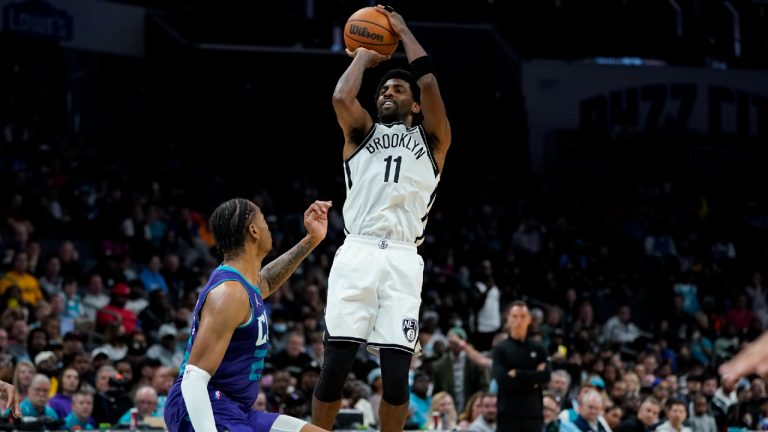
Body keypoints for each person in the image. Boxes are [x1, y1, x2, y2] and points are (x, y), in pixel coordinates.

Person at [310, 5, 452, 432]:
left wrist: (403, 30)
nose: (388, 92)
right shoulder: (360, 135)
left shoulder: (434, 139)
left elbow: (426, 80)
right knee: (335, 366)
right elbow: (340, 97)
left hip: (404, 258)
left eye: (397, 89)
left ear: (414, 106)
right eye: (384, 89)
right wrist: (363, 56)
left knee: (396, 378)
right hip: (359, 250)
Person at [163, 198, 332, 432]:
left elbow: (267, 280)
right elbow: (194, 377)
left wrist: (312, 240)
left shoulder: (244, 286)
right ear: (253, 230)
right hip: (206, 404)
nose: (268, 226)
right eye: (263, 220)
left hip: (237, 408)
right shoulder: (230, 293)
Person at [492, 301, 551, 432]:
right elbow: (502, 380)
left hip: (533, 413)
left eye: (523, 316)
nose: (519, 320)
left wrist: (518, 373)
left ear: (529, 319)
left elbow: (546, 376)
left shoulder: (539, 347)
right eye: (515, 316)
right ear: (508, 318)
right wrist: (533, 380)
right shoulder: (500, 349)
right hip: (508, 414)